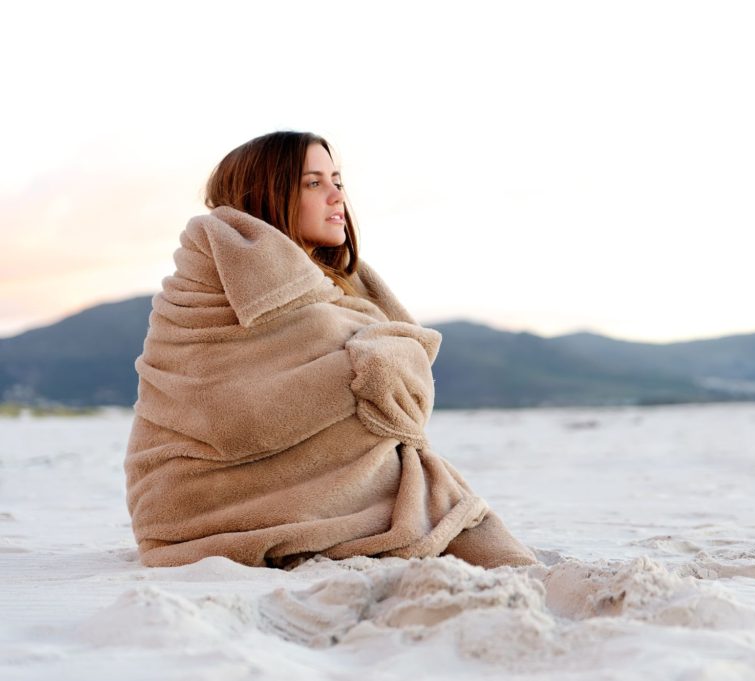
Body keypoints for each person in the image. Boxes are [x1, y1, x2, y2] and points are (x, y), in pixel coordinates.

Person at [124, 131, 537, 570]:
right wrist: (377, 362)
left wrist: (382, 361)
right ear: (267, 193)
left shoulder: (341, 284)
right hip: (204, 500)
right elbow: (226, 412)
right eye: (314, 183)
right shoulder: (209, 283)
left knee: (442, 504)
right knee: (441, 509)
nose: (337, 195)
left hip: (308, 486)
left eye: (337, 180)